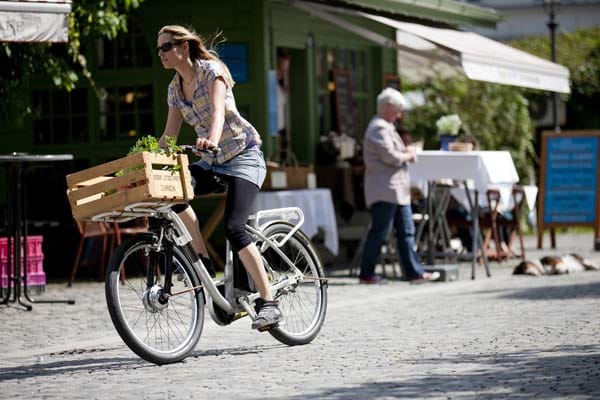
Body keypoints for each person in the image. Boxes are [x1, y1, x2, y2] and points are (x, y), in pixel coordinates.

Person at [156, 25, 282, 330]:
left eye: (166, 47)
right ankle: (204, 263)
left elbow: (217, 113)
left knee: (234, 228)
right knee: (175, 192)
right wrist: (145, 160)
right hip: (212, 162)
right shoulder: (174, 89)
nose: (161, 53)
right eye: (158, 49)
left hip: (244, 158)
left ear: (183, 47)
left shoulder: (212, 71)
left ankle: (269, 302)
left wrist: (211, 139)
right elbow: (169, 136)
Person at [359, 88, 439, 284]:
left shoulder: (385, 126)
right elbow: (390, 156)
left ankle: (415, 272)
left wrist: (407, 150)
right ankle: (366, 273)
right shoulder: (379, 127)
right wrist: (410, 155)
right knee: (380, 232)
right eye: (398, 110)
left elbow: (395, 152)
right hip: (386, 188)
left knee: (406, 232)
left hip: (395, 189)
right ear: (387, 106)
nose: (399, 115)